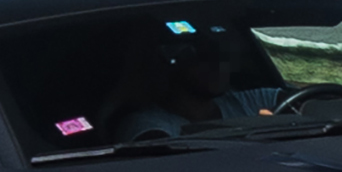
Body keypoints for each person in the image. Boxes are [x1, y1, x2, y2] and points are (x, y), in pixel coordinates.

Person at [111, 29, 288, 140]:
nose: (218, 67)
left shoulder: (247, 101)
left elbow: (301, 102)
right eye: (203, 59)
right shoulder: (147, 123)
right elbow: (163, 157)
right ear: (174, 65)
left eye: (221, 58)